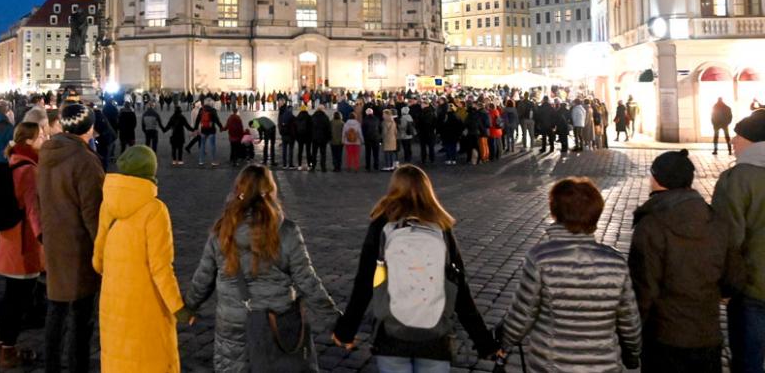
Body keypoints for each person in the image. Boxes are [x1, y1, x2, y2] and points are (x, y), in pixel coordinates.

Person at [333, 165, 498, 371]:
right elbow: (460, 289)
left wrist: (345, 331)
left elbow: (365, 282)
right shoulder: (441, 226)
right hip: (435, 337)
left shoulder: (382, 224)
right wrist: (485, 343)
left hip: (392, 336)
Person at [184, 165, 341, 373]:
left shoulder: (222, 231)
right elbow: (308, 282)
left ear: (239, 190)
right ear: (271, 190)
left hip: (233, 326)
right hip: (275, 324)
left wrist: (188, 308)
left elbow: (203, 279)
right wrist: (337, 324)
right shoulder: (287, 232)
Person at [499, 177, 641, 371]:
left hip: (550, 364)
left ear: (556, 211)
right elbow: (629, 320)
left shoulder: (540, 258)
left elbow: (523, 314)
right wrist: (633, 353)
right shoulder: (616, 262)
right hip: (603, 365)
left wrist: (504, 343)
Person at [629, 150, 737, 373]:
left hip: (664, 338)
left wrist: (631, 338)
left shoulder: (651, 225)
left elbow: (643, 289)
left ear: (656, 179)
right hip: (707, 335)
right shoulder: (715, 220)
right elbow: (734, 278)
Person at [93, 146, 185, 372]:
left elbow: (98, 260)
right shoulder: (155, 210)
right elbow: (161, 268)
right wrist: (179, 307)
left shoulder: (108, 204)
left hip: (113, 301)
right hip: (146, 304)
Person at [37, 103, 104, 373]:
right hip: (78, 247)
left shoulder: (47, 153)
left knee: (56, 310)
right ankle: (78, 367)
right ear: (87, 128)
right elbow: (93, 213)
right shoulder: (85, 161)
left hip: (54, 241)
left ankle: (52, 365)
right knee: (80, 316)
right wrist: (103, 250)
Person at [712, 108, 765, 373]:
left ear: (753, 141)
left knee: (749, 362)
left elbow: (727, 238)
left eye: (739, 136)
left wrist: (725, 286)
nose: (733, 141)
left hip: (752, 287)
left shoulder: (737, 179)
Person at [0, 122, 44, 369]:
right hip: (24, 242)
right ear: (30, 141)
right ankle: (8, 349)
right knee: (17, 298)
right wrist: (44, 238)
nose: (45, 138)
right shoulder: (29, 169)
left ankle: (6, 345)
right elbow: (34, 210)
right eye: (41, 135)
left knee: (13, 296)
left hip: (9, 238)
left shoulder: (15, 160)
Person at [194, 99, 223, 168]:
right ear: (211, 104)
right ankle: (213, 161)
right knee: (212, 146)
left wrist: (195, 128)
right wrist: (221, 127)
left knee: (202, 145)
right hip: (211, 131)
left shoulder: (201, 110)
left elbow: (197, 119)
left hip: (203, 130)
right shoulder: (213, 110)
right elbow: (217, 120)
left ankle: (201, 161)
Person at [311, 105, 331, 172]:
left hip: (314, 138)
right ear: (323, 109)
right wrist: (328, 138)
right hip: (323, 138)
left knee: (314, 153)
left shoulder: (313, 117)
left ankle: (313, 166)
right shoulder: (325, 117)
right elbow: (328, 129)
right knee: (323, 154)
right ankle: (323, 167)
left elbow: (310, 128)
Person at [295, 104, 312, 170]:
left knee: (300, 151)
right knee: (308, 151)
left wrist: (297, 137)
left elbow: (295, 129)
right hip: (308, 137)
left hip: (300, 137)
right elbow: (311, 128)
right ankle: (309, 165)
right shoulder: (309, 117)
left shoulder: (297, 118)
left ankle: (299, 165)